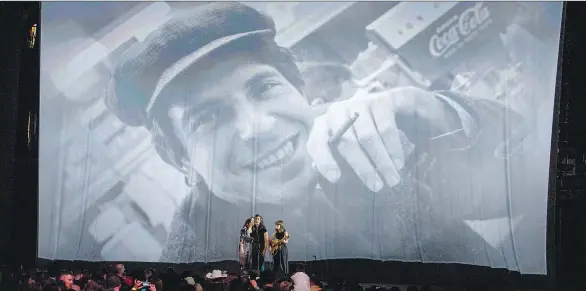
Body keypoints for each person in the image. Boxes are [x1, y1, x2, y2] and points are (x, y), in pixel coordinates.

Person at [107, 2, 536, 267]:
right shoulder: (195, 269)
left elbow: (527, 185)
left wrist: (433, 113)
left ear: (298, 91)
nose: (259, 128)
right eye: (207, 118)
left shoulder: (365, 139)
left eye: (263, 88)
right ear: (183, 159)